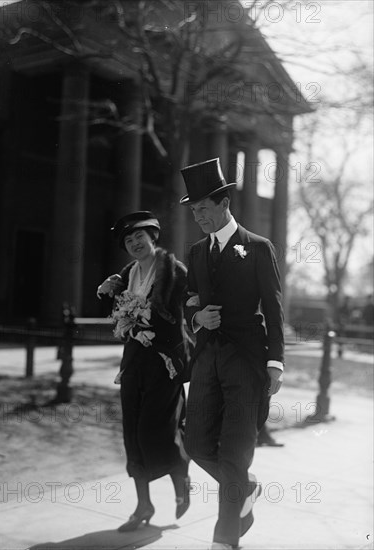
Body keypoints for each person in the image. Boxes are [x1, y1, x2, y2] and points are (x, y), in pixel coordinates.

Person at [179, 158, 284, 550]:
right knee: (197, 445)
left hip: (247, 361)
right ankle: (247, 489)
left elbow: (274, 308)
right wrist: (196, 317)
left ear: (224, 203)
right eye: (193, 211)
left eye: (203, 208)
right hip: (206, 360)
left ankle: (224, 542)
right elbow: (189, 298)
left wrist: (276, 363)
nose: (198, 217)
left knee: (235, 451)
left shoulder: (258, 248)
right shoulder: (196, 252)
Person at [97, 211, 191, 531]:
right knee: (132, 434)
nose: (135, 243)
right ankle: (143, 504)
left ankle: (181, 476)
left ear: (153, 237)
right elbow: (117, 311)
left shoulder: (174, 272)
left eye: (140, 236)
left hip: (164, 365)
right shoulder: (127, 275)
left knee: (156, 431)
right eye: (128, 239)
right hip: (134, 362)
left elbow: (188, 314)